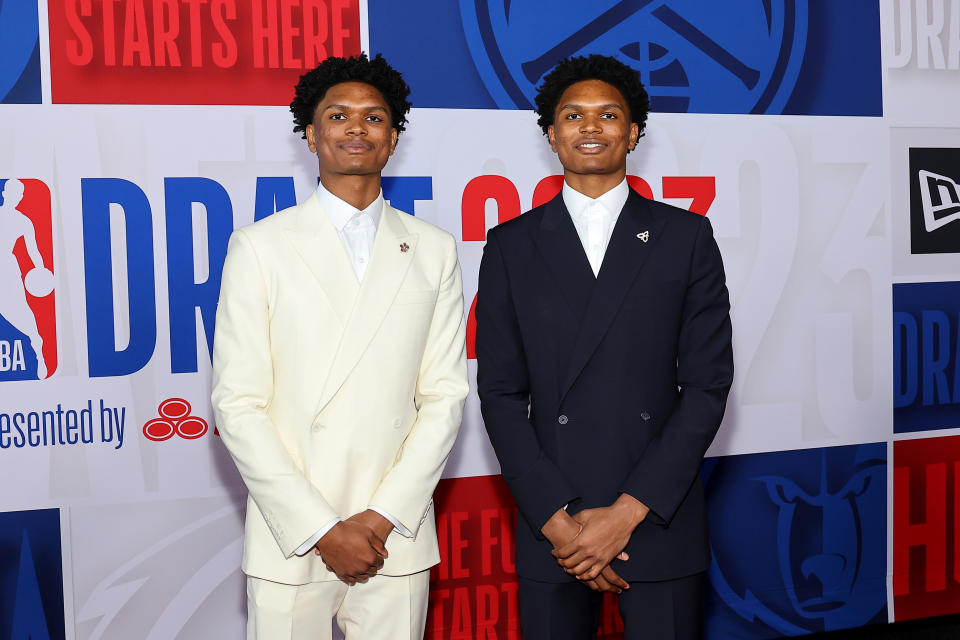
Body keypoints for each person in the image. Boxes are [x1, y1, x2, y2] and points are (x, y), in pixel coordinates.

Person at [212, 53, 469, 640]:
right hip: (292, 534)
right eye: (338, 115)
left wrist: (381, 517)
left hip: (395, 535)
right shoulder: (260, 247)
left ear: (394, 136)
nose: (357, 127)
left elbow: (445, 395)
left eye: (374, 117)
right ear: (311, 133)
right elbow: (237, 404)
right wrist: (323, 529)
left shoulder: (433, 248)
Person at [475, 54, 733, 639]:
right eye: (573, 115)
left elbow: (707, 385)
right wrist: (557, 522)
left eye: (608, 114)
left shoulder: (685, 237)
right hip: (553, 523)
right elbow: (500, 392)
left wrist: (628, 512)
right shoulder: (511, 245)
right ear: (552, 133)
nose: (590, 127)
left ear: (633, 131)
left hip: (657, 516)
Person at [0, 179, 48, 379]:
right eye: (12, 193)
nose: (16, 198)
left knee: (23, 313)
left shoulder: (23, 221)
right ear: (5, 194)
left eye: (19, 195)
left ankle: (39, 352)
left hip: (8, 269)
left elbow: (33, 251)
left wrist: (41, 271)